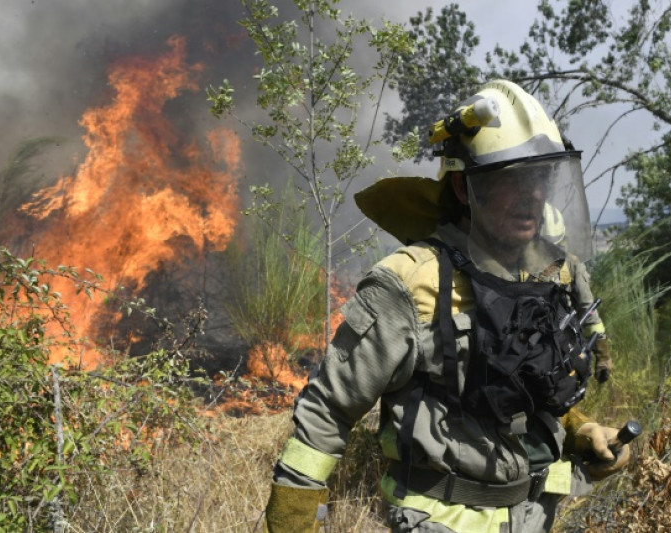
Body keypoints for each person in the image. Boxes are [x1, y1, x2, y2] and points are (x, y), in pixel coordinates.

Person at [263, 79, 627, 533]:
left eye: (540, 178)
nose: (532, 196)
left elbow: (518, 383)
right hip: (440, 519)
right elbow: (327, 412)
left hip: (534, 517)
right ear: (462, 187)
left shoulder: (549, 275)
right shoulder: (410, 283)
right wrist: (292, 523)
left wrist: (580, 429)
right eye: (511, 179)